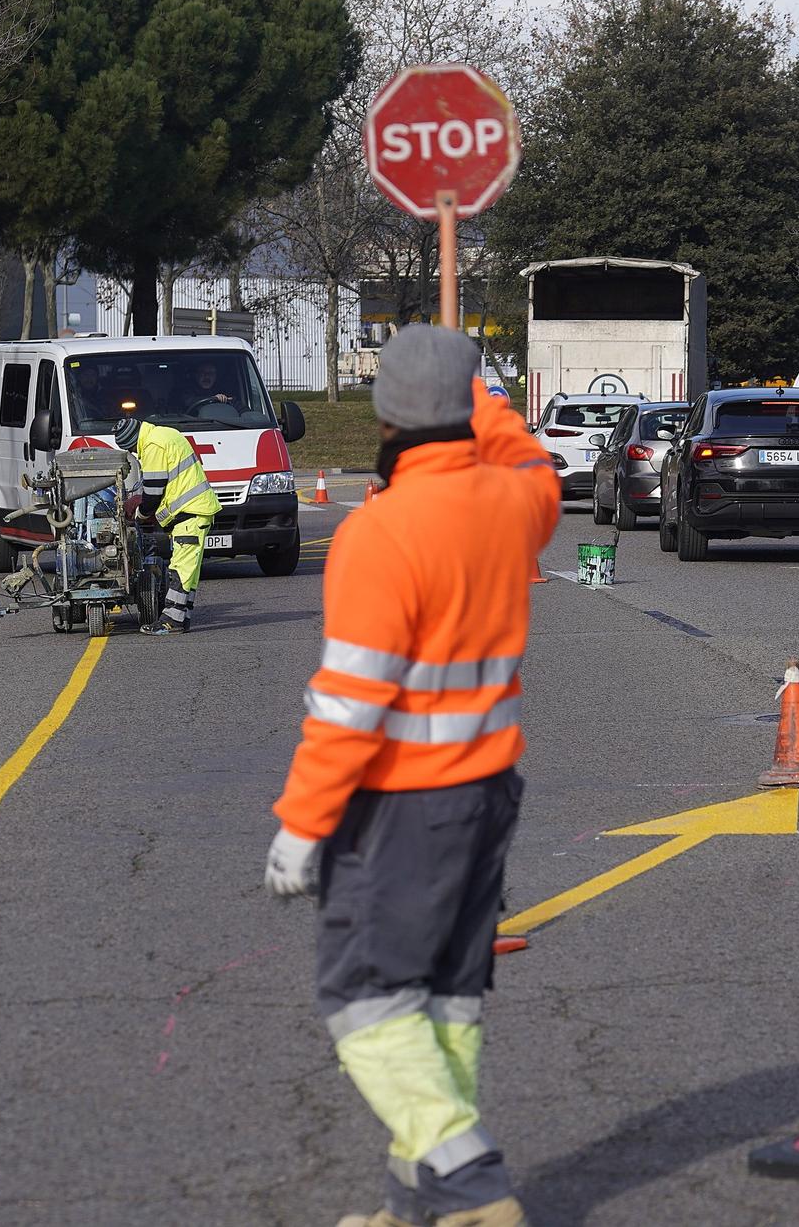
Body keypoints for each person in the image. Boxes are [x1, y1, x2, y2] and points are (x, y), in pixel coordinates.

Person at [263, 325, 558, 1227]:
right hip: (488, 792)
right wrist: (486, 399)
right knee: (447, 1001)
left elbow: (350, 707)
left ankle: (471, 1185)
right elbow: (533, 464)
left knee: (363, 998)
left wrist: (302, 825)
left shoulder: (379, 534)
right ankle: (417, 1204)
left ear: (387, 418)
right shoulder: (516, 505)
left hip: (401, 804)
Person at [112, 414, 219, 634]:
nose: (134, 453)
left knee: (179, 570)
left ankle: (172, 621)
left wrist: (140, 515)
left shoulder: (153, 445)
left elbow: (153, 492)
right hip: (195, 511)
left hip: (189, 514)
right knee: (189, 572)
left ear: (133, 440)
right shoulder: (164, 434)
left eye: (131, 448)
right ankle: (182, 616)